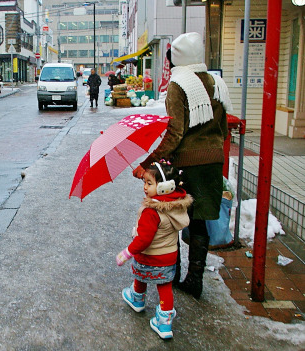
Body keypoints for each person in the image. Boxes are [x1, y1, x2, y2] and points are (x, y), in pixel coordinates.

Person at [132, 32, 232, 300]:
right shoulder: (216, 82)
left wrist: (148, 161)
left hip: (186, 164)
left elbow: (175, 132)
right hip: (212, 163)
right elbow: (222, 129)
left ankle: (172, 273)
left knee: (173, 216)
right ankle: (195, 280)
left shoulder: (179, 84)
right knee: (199, 223)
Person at [117, 161, 192, 339]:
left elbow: (144, 240)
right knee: (164, 285)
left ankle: (137, 298)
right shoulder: (177, 205)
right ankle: (165, 323)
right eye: (145, 182)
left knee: (140, 274)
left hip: (149, 255)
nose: (144, 187)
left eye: (149, 183)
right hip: (168, 256)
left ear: (165, 187)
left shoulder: (151, 212)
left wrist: (127, 252)